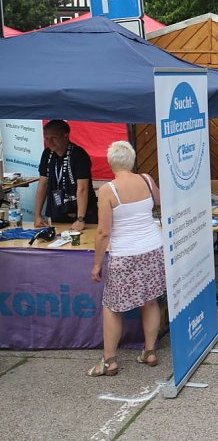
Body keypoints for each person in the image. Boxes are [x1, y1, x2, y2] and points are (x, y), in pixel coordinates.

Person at [86, 141, 166, 377]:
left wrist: (97, 263)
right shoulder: (147, 180)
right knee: (150, 300)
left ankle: (109, 360)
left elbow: (103, 232)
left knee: (112, 306)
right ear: (132, 160)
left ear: (111, 163)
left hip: (125, 253)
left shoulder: (108, 190)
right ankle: (150, 351)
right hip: (152, 247)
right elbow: (159, 202)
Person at [34, 119, 98, 229]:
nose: (49, 142)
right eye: (46, 138)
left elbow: (82, 188)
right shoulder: (47, 154)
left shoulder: (79, 155)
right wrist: (37, 215)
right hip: (58, 211)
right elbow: (43, 183)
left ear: (65, 136)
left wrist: (80, 219)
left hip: (83, 214)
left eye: (53, 137)